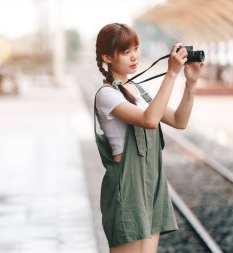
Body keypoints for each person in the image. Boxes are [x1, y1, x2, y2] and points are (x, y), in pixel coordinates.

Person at [94, 23, 204, 253]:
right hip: (127, 186)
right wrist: (171, 73)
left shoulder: (138, 91)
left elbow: (179, 121)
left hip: (151, 181)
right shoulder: (106, 95)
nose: (134, 56)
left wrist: (190, 83)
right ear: (107, 56)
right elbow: (149, 120)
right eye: (126, 52)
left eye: (136, 49)